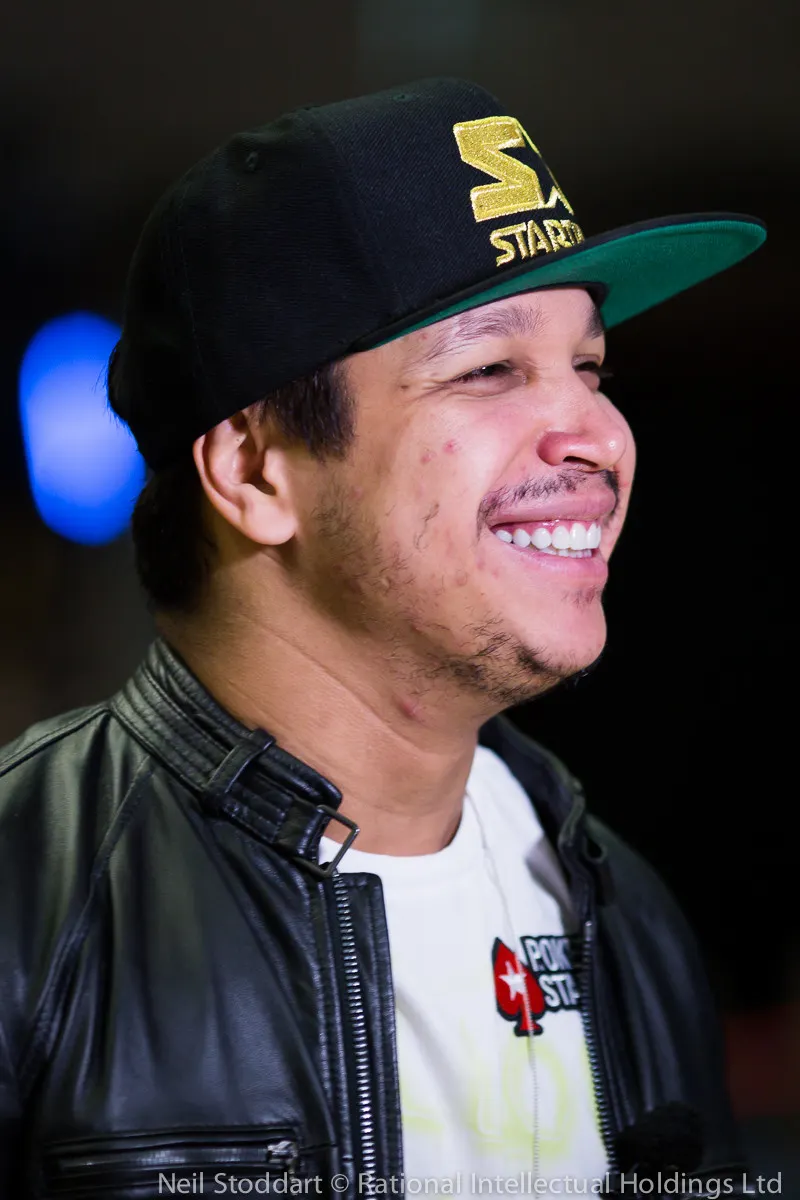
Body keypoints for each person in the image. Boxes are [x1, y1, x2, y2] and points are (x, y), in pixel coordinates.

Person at [0, 78, 765, 1198]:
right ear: (255, 471)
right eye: (490, 369)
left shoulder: (626, 918)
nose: (599, 434)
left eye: (591, 366)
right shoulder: (27, 904)